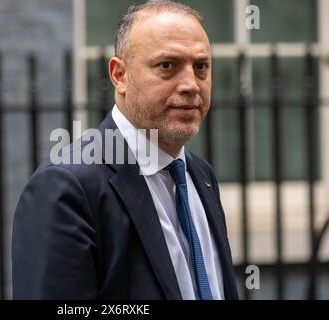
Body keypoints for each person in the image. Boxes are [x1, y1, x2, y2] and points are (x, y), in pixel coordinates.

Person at [12, 0, 238, 300]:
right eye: (167, 66)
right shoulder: (66, 186)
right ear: (120, 75)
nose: (190, 85)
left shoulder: (201, 175)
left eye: (201, 67)